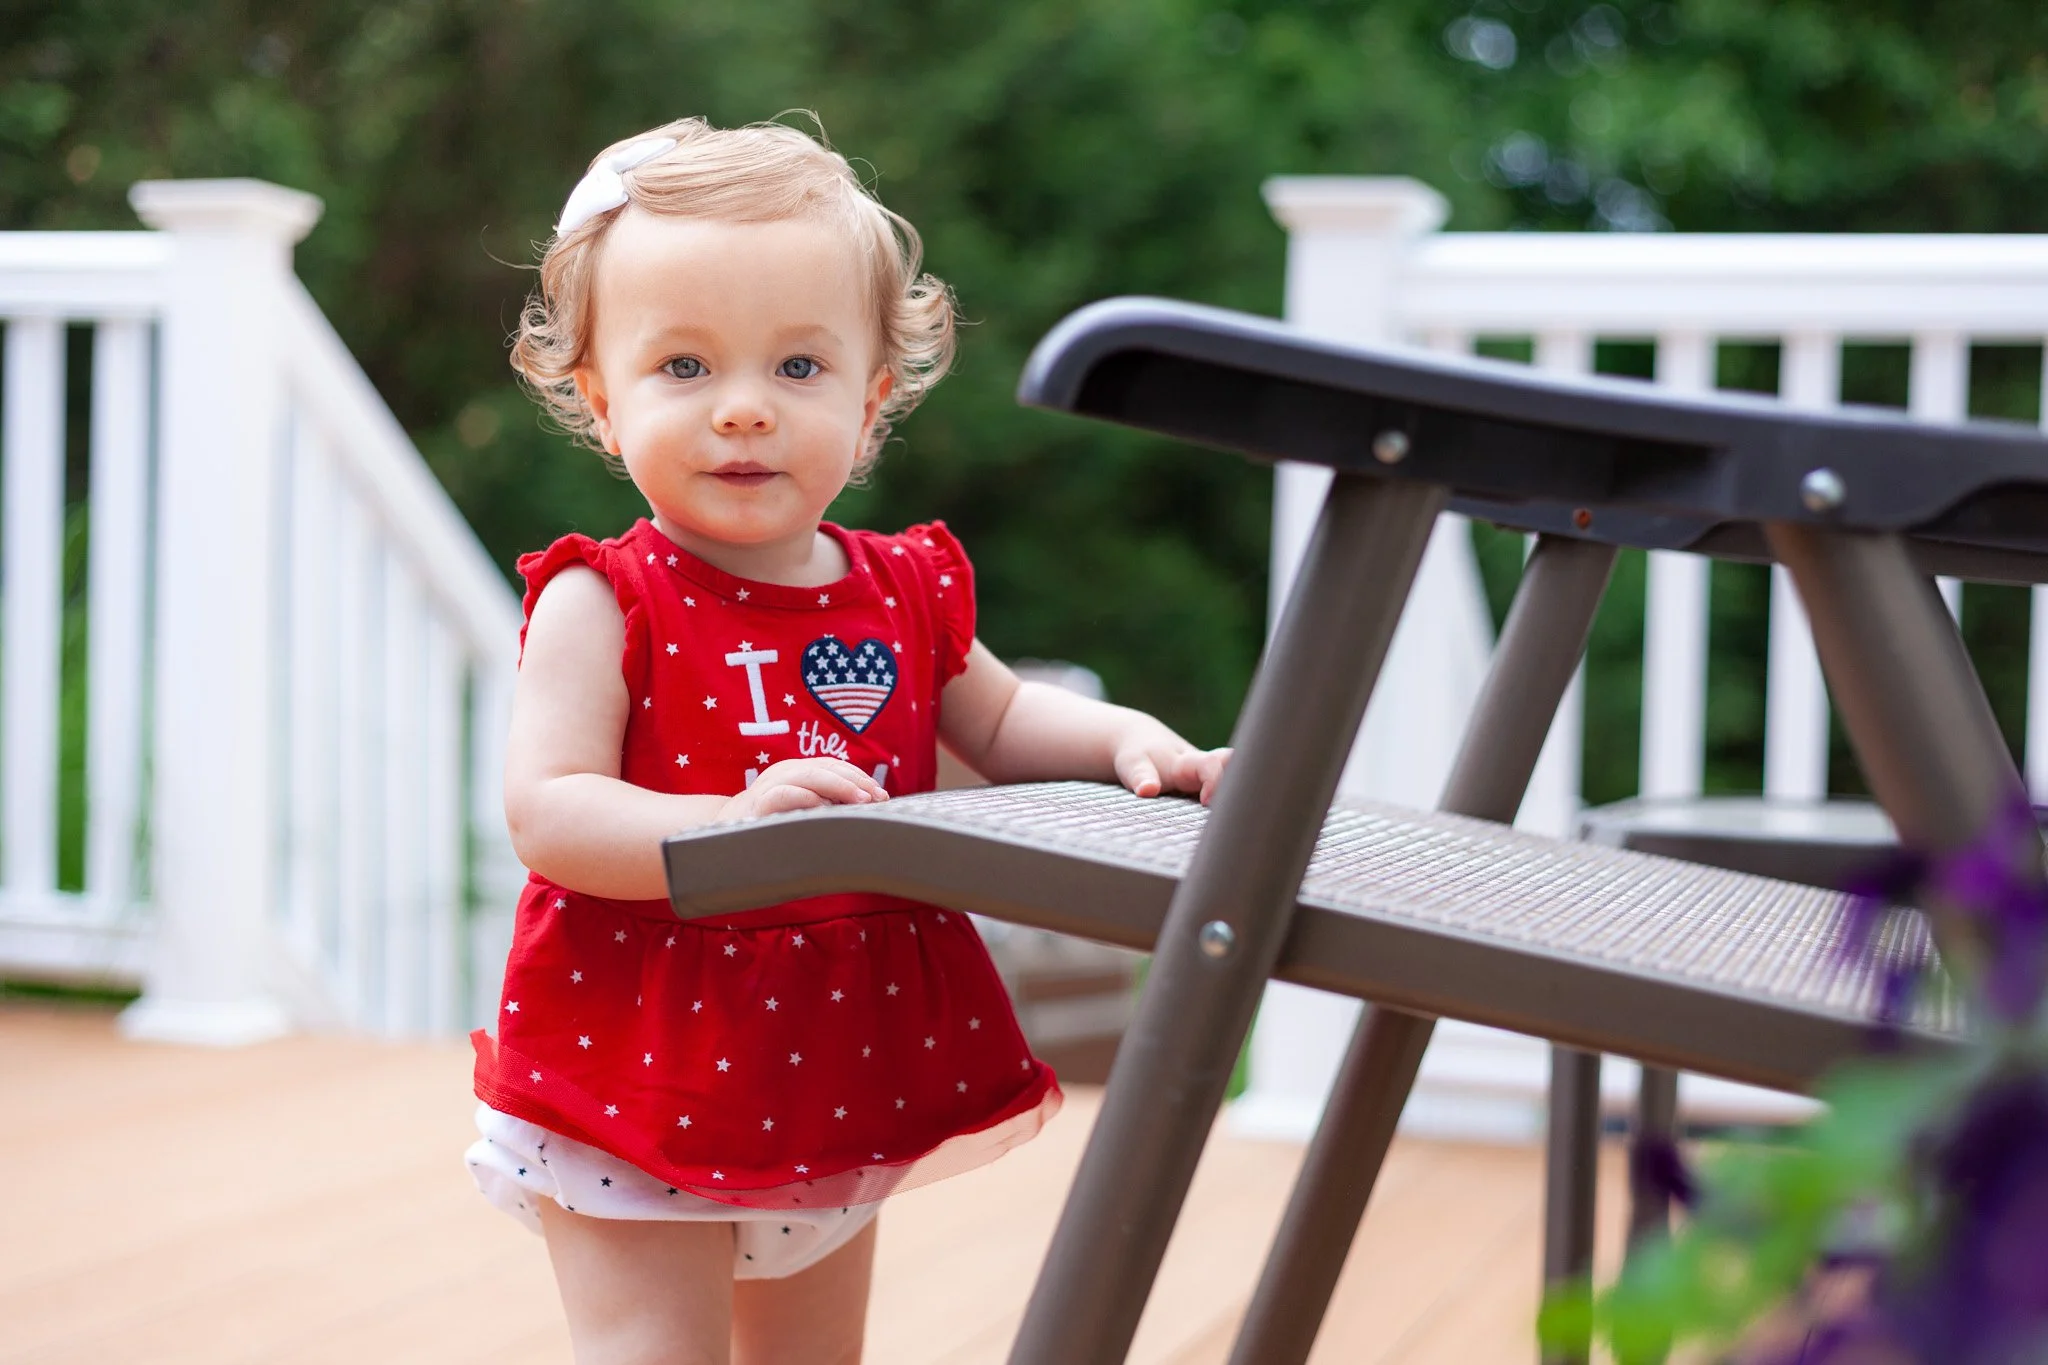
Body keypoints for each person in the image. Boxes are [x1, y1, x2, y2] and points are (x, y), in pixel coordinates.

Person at [465, 115, 1231, 1365]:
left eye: (798, 369)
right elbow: (549, 810)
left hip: (834, 1060)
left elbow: (997, 717)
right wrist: (725, 831)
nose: (745, 412)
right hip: (641, 1065)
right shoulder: (600, 599)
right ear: (600, 402)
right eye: (684, 368)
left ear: (874, 398)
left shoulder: (900, 590)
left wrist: (1132, 742)